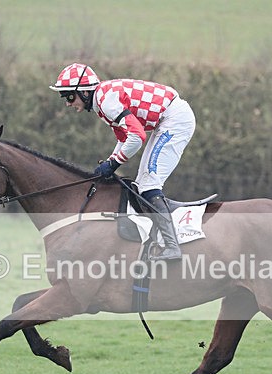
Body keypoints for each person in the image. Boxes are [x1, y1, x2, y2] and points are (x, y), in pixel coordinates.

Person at [49, 63, 196, 260]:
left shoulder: (106, 102)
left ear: (84, 91)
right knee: (143, 184)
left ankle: (172, 246)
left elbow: (137, 137)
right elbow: (124, 139)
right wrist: (110, 161)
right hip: (167, 119)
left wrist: (113, 164)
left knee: (149, 185)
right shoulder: (102, 102)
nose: (67, 103)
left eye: (69, 96)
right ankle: (160, 234)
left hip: (175, 120)